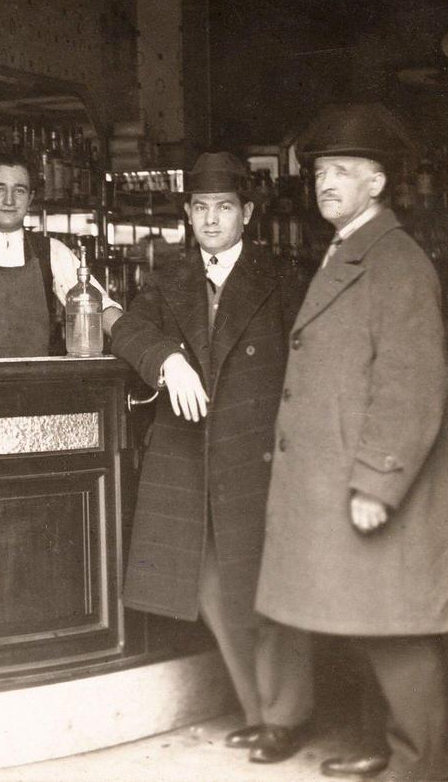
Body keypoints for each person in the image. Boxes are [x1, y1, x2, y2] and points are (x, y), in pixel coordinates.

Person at [254, 104, 448, 781]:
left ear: (377, 184)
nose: (326, 182)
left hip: (374, 481)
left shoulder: (395, 261)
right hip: (345, 478)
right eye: (320, 171)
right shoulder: (353, 249)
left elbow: (412, 386)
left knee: (397, 629)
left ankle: (422, 766)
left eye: (343, 170)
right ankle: (386, 748)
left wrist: (377, 480)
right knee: (375, 618)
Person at [112, 152, 313, 765]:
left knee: (267, 588)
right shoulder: (167, 278)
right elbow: (123, 329)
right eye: (200, 208)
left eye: (224, 208)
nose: (211, 219)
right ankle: (260, 712)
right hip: (192, 456)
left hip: (256, 454)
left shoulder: (280, 278)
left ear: (247, 214)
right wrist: (167, 360)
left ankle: (287, 715)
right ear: (188, 214)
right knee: (210, 587)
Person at [0, 153, 122, 359]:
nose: (9, 200)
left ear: (30, 198)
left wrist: (142, 348)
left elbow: (99, 307)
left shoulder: (52, 251)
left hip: (33, 386)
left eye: (19, 190)